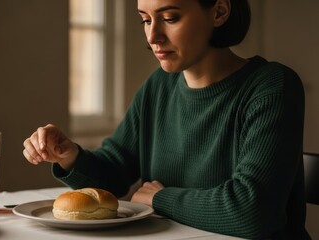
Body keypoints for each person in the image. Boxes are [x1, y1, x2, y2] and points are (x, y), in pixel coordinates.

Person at [23, 0, 310, 239]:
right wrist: (70, 156)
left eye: (170, 18)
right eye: (145, 20)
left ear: (220, 12)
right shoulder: (159, 86)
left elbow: (253, 211)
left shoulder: (272, 86)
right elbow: (113, 174)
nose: (152, 36)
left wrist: (160, 198)